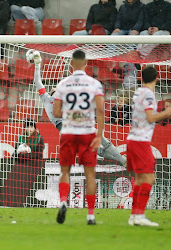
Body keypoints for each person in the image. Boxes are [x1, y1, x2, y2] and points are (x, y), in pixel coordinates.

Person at [30, 49, 126, 167]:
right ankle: (121, 159)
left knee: (99, 148)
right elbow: (37, 81)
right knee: (99, 147)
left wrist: (64, 63)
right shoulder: (47, 98)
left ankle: (122, 160)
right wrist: (37, 65)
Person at [53, 50, 105, 225]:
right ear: (86, 64)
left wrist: (71, 113)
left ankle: (62, 202)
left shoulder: (62, 84)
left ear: (71, 64)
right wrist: (99, 135)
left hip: (68, 131)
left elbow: (56, 112)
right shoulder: (94, 84)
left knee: (65, 171)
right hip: (88, 132)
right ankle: (90, 216)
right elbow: (101, 110)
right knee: (90, 173)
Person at [127, 66, 171, 226]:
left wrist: (169, 113)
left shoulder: (138, 92)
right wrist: (170, 111)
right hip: (140, 141)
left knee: (139, 179)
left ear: (141, 78)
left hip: (133, 139)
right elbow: (150, 118)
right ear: (157, 79)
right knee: (150, 178)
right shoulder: (149, 94)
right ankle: (140, 215)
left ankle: (134, 216)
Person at [0, 119, 44, 207]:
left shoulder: (39, 138)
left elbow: (39, 154)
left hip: (34, 166)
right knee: (18, 186)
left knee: (30, 187)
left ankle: (30, 203)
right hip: (22, 166)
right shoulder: (20, 138)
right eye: (27, 127)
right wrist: (17, 155)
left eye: (31, 127)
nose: (29, 129)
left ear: (34, 128)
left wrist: (25, 156)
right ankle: (16, 203)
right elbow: (15, 152)